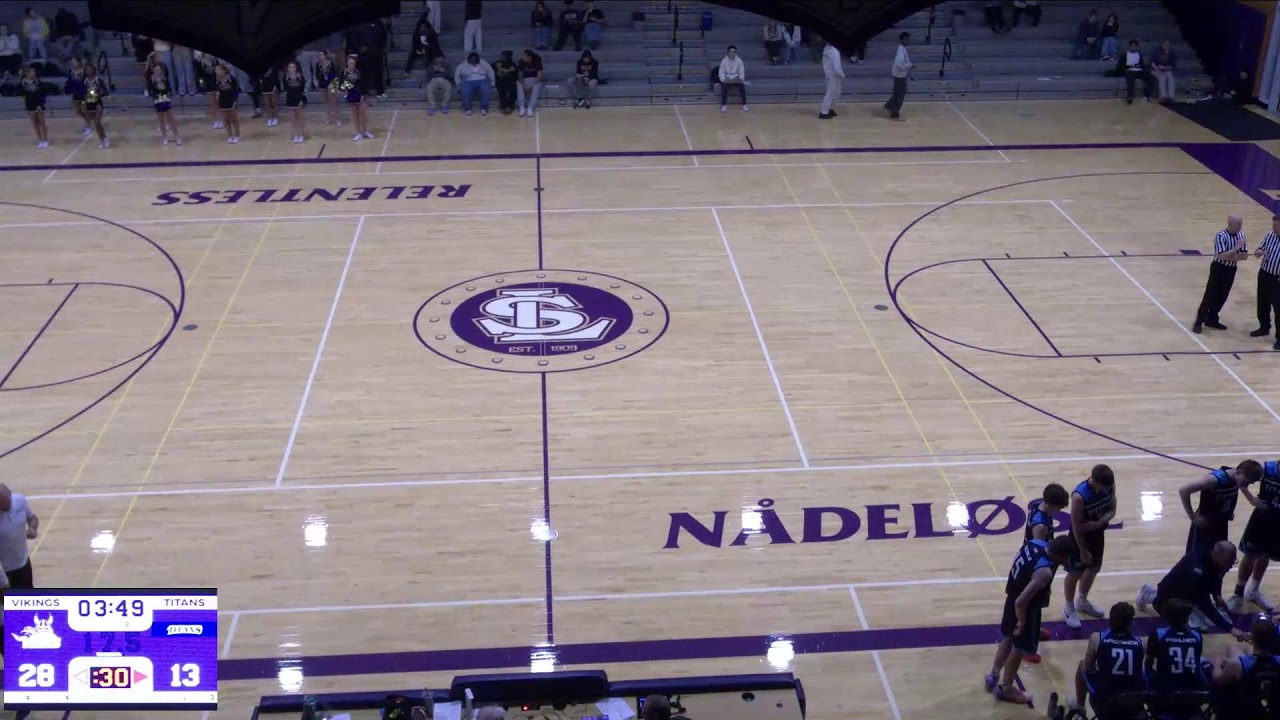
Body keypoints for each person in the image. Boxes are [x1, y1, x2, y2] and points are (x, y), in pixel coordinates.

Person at [985, 535, 1076, 705]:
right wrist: (1023, 621)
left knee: (1007, 638)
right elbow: (1022, 601)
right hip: (1024, 608)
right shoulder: (1045, 572)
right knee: (1019, 648)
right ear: (1062, 556)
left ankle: (993, 674)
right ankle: (1006, 688)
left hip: (1011, 597)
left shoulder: (1033, 543)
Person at [1137, 540, 1248, 639]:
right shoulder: (1196, 570)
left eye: (1233, 562)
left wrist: (1216, 595)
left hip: (1190, 592)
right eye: (1228, 562)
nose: (1230, 566)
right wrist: (1231, 629)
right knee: (1179, 625)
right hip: (1170, 595)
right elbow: (1205, 605)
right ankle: (1149, 594)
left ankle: (1192, 611)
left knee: (1198, 621)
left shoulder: (1218, 560)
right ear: (1218, 556)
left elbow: (1216, 576)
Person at [1022, 482, 1071, 665]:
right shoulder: (1040, 526)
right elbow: (1037, 550)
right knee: (1033, 603)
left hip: (1043, 562)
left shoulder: (1038, 507)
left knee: (1040, 601)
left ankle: (1034, 630)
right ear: (1051, 504)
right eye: (1059, 507)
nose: (1059, 511)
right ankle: (1028, 647)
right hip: (1038, 566)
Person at [1063, 464, 1117, 629]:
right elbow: (1077, 527)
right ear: (1094, 480)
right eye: (1104, 487)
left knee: (1094, 568)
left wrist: (1099, 523)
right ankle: (1069, 607)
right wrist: (1083, 550)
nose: (1106, 490)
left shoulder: (1109, 486)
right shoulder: (1080, 496)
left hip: (1097, 535)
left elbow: (1113, 509)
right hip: (1079, 540)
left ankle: (1083, 600)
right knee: (1075, 573)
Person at [1072, 602, 1146, 717]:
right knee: (1143, 673)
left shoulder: (1097, 638)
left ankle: (1079, 709)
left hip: (1104, 703)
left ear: (1110, 621)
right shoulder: (1141, 642)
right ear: (1130, 623)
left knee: (1082, 664)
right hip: (1132, 703)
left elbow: (1088, 668)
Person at [1145, 599, 1210, 720]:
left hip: (1166, 696)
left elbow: (1148, 665)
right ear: (1187, 617)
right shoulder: (1197, 636)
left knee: (1144, 674)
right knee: (1204, 663)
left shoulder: (1159, 634)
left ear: (1166, 618)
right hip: (1192, 697)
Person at [1181, 461, 1262, 558]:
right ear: (1239, 472)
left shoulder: (1237, 477)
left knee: (1219, 558)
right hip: (1205, 525)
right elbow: (1184, 490)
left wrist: (1250, 499)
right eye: (1246, 482)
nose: (1246, 485)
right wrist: (1193, 517)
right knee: (1198, 559)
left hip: (1221, 523)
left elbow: (1242, 486)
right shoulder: (1214, 480)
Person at [1229, 458, 1280, 613]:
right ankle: (1238, 593)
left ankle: (1253, 591)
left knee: (1265, 556)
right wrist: (1251, 498)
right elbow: (1242, 480)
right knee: (1250, 555)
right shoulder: (1268, 469)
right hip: (1261, 520)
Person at [1210, 619, 1280, 718]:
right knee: (1235, 648)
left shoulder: (1236, 664)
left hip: (1243, 711)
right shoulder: (1278, 661)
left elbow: (1218, 680)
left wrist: (1217, 664)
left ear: (1253, 638)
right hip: (1269, 709)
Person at [1193, 215, 1249, 334]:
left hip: (1231, 269)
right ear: (1230, 224)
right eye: (1238, 224)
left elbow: (1244, 256)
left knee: (1223, 296)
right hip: (1218, 268)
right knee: (1210, 295)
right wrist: (1237, 248)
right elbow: (1221, 255)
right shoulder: (1221, 236)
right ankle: (1199, 321)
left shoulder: (1242, 236)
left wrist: (1231, 255)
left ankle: (1212, 319)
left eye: (1241, 224)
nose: (1240, 227)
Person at [0, 485, 39, 590]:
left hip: (23, 563)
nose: (5, 506)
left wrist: (32, 527)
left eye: (7, 502)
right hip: (4, 570)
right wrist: (3, 581)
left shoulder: (20, 501)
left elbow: (32, 517)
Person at [1251, 215, 1280, 348]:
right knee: (1262, 302)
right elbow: (1261, 247)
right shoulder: (1270, 235)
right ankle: (1264, 327)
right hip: (1264, 273)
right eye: (1273, 225)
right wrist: (1259, 252)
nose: (1273, 228)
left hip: (1277, 279)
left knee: (1278, 308)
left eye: (1275, 226)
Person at [147, 63, 181, 145]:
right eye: (156, 70)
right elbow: (150, 90)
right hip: (157, 99)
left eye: (159, 70)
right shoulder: (151, 79)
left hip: (165, 98)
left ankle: (177, 136)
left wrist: (166, 94)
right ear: (153, 70)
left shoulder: (164, 78)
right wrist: (155, 97)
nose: (158, 71)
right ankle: (164, 137)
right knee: (161, 120)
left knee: (171, 119)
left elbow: (168, 88)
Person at [340, 55, 371, 140]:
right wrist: (345, 91)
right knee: (354, 115)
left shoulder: (358, 71)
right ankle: (358, 133)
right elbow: (341, 84)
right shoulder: (344, 72)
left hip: (359, 94)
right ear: (347, 63)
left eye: (353, 63)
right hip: (350, 95)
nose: (351, 65)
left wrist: (362, 94)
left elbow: (362, 83)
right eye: (350, 63)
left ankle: (365, 131)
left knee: (363, 114)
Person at [455, 51, 494, 116]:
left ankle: (484, 108)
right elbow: (457, 75)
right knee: (466, 92)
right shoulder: (463, 65)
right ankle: (468, 108)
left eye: (475, 60)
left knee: (485, 91)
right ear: (469, 59)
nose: (473, 61)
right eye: (471, 60)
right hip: (468, 80)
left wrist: (492, 82)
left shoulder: (484, 63)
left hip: (482, 79)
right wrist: (458, 85)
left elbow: (490, 72)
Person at [885, 32, 913, 121]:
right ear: (901, 39)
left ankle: (889, 106)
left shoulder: (902, 49)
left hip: (900, 75)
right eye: (906, 39)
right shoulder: (900, 50)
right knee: (900, 93)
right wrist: (908, 66)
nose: (908, 41)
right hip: (899, 75)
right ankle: (894, 112)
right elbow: (898, 63)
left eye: (908, 39)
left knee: (898, 93)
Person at [18, 65, 47, 148]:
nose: (33, 73)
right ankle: (40, 139)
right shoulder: (22, 82)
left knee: (42, 123)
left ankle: (45, 139)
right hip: (30, 104)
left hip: (39, 104)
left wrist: (42, 100)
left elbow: (43, 91)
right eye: (31, 72)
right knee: (35, 124)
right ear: (27, 73)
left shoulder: (38, 81)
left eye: (34, 72)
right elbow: (20, 92)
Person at [1117, 39, 1154, 105]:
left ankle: (1147, 95)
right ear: (1130, 47)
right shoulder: (1124, 55)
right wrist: (1131, 66)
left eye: (1135, 46)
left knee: (1150, 77)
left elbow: (1142, 64)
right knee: (1130, 78)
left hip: (1139, 71)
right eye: (1132, 46)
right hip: (1130, 70)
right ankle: (1130, 96)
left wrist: (1140, 66)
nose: (1134, 48)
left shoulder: (1139, 54)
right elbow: (1121, 66)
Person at [81, 62, 108, 148]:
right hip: (89, 103)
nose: (88, 71)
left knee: (97, 122)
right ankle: (101, 139)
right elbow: (83, 93)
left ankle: (105, 139)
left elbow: (105, 92)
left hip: (97, 103)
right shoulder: (84, 81)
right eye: (86, 70)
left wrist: (97, 94)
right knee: (95, 124)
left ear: (93, 70)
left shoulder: (98, 80)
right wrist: (83, 103)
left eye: (90, 69)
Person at [213, 63, 241, 143]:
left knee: (234, 120)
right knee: (226, 120)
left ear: (224, 70)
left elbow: (236, 90)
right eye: (216, 70)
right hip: (222, 101)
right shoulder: (215, 80)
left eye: (218, 70)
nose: (217, 71)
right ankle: (230, 136)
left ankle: (237, 136)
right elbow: (216, 91)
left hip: (231, 101)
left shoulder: (231, 79)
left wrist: (235, 100)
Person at [282, 61, 307, 143]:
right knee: (293, 119)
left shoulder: (300, 77)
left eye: (293, 67)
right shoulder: (285, 77)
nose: (292, 69)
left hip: (299, 99)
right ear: (288, 69)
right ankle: (296, 135)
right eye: (290, 67)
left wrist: (302, 99)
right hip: (290, 99)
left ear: (296, 68)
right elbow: (286, 88)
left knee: (300, 118)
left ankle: (301, 134)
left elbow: (303, 89)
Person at [819, 37, 844, 119]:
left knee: (837, 92)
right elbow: (837, 68)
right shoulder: (834, 51)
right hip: (833, 75)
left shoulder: (826, 49)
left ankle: (830, 108)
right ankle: (824, 112)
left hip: (829, 74)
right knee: (830, 93)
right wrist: (842, 75)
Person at [64, 56, 90, 137]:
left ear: (79, 62)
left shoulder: (83, 71)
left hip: (84, 92)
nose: (73, 63)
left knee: (85, 109)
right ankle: (86, 121)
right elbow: (69, 82)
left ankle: (88, 127)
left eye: (74, 61)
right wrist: (69, 91)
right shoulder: (70, 72)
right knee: (78, 111)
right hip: (75, 93)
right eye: (72, 62)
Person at [195, 51, 221, 127]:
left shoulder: (215, 61)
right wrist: (202, 85)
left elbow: (219, 74)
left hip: (216, 85)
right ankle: (216, 120)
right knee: (212, 105)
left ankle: (221, 119)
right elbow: (199, 76)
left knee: (218, 104)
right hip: (207, 86)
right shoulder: (201, 63)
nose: (209, 55)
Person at [718, 45, 747, 112]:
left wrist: (740, 79)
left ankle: (744, 104)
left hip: (735, 78)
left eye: (734, 52)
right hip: (726, 78)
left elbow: (741, 72)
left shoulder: (739, 60)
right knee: (724, 88)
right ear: (728, 52)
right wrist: (724, 80)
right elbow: (721, 73)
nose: (732, 53)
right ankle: (724, 105)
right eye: (731, 52)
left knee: (742, 87)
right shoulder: (723, 61)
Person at [314, 50, 340, 126]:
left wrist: (332, 81)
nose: (320, 57)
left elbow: (335, 73)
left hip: (332, 82)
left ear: (325, 55)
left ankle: (337, 119)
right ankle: (329, 118)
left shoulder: (331, 63)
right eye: (319, 55)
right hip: (323, 83)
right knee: (326, 102)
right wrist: (322, 77)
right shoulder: (318, 64)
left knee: (334, 101)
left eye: (322, 55)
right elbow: (316, 75)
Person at [516, 48, 543, 117]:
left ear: (529, 57)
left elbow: (539, 77)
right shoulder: (521, 62)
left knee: (536, 86)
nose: (523, 57)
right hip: (525, 80)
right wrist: (523, 84)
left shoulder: (537, 62)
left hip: (534, 80)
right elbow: (520, 76)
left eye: (525, 56)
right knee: (518, 84)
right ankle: (522, 107)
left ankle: (530, 108)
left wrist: (530, 86)